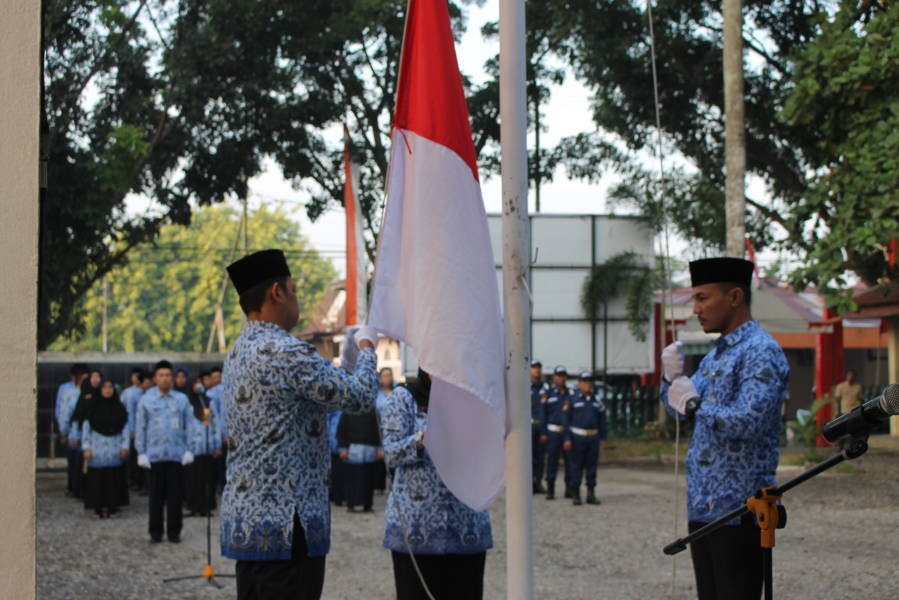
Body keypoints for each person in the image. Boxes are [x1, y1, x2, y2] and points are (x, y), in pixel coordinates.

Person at [218, 249, 379, 600]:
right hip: (288, 526)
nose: (297, 300)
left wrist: (348, 363)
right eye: (293, 290)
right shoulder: (285, 351)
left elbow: (327, 394)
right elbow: (361, 397)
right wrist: (367, 348)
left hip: (249, 522)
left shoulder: (238, 351)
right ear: (276, 293)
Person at [662, 257, 789, 600]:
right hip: (704, 507)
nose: (695, 309)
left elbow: (749, 420)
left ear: (734, 297)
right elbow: (681, 410)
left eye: (703, 298)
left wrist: (696, 405)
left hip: (740, 510)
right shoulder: (715, 356)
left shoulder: (760, 351)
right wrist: (670, 379)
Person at [381, 370, 493, 600]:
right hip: (417, 527)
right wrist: (423, 439)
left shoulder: (472, 397)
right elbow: (390, 453)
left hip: (466, 525)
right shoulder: (404, 397)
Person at [135, 360, 194, 543]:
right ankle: (155, 531)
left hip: (176, 455)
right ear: (155, 378)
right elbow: (141, 426)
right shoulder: (146, 400)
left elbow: (189, 426)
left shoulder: (181, 400)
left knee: (175, 496)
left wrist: (190, 449)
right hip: (154, 455)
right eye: (161, 375)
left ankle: (174, 531)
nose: (165, 379)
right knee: (156, 497)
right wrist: (141, 452)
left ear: (173, 378)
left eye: (168, 375)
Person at [81, 380, 130, 519]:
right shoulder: (92, 407)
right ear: (100, 390)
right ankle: (97, 509)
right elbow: (86, 430)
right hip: (96, 451)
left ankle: (112, 508)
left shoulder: (119, 408)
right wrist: (86, 448)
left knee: (113, 481)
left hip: (115, 450)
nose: (108, 390)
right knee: (96, 481)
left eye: (110, 387)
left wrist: (125, 446)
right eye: (104, 387)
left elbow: (125, 428)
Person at [564, 372, 608, 506]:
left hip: (593, 437)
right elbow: (566, 420)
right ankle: (576, 494)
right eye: (585, 381)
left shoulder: (597, 400)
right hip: (577, 437)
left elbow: (602, 420)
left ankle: (591, 493)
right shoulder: (572, 399)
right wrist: (567, 438)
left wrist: (603, 437)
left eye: (590, 381)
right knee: (576, 466)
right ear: (580, 383)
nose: (588, 384)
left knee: (592, 466)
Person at [185, 375, 222, 517]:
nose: (198, 385)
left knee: (208, 478)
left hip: (207, 446)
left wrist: (217, 444)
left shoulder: (208, 402)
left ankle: (206, 506)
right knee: (193, 478)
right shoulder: (186, 403)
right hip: (192, 448)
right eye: (195, 383)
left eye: (200, 382)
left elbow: (216, 423)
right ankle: (193, 506)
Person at [337, 406, 382, 513]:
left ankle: (367, 505)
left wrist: (380, 448)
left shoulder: (373, 411)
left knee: (369, 479)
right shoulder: (347, 410)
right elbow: (341, 430)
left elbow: (378, 430)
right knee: (351, 480)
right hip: (352, 451)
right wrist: (342, 448)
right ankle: (351, 504)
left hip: (369, 450)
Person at [541, 365, 573, 500]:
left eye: (563, 376)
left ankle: (569, 488)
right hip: (553, 432)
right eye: (559, 376)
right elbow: (543, 415)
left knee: (570, 462)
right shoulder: (548, 394)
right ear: (554, 378)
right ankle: (551, 489)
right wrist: (544, 432)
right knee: (552, 461)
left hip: (567, 432)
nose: (561, 378)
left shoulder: (571, 394)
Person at [57, 363, 89, 497]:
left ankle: (82, 489)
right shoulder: (67, 391)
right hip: (73, 433)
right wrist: (63, 432)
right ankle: (73, 488)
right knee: (74, 464)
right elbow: (61, 412)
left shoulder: (92, 392)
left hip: (88, 435)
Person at [121, 368, 145, 491]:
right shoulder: (127, 392)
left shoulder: (144, 392)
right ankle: (131, 479)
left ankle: (139, 481)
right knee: (130, 457)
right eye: (134, 376)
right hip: (128, 428)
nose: (136, 378)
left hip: (140, 429)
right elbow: (122, 409)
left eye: (138, 376)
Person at [374, 367, 395, 493]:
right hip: (382, 431)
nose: (387, 378)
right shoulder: (377, 395)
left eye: (389, 375)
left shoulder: (397, 392)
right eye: (384, 375)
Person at [529, 360, 549, 494]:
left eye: (538, 368)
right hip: (529, 426)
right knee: (529, 456)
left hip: (540, 426)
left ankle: (538, 481)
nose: (537, 370)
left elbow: (548, 410)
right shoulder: (524, 386)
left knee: (540, 456)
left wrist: (545, 430)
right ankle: (529, 482)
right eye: (534, 367)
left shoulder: (545, 388)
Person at [328, 410, 346, 507]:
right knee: (336, 473)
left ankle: (339, 496)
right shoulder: (335, 412)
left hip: (337, 445)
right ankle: (337, 496)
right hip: (336, 446)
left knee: (337, 473)